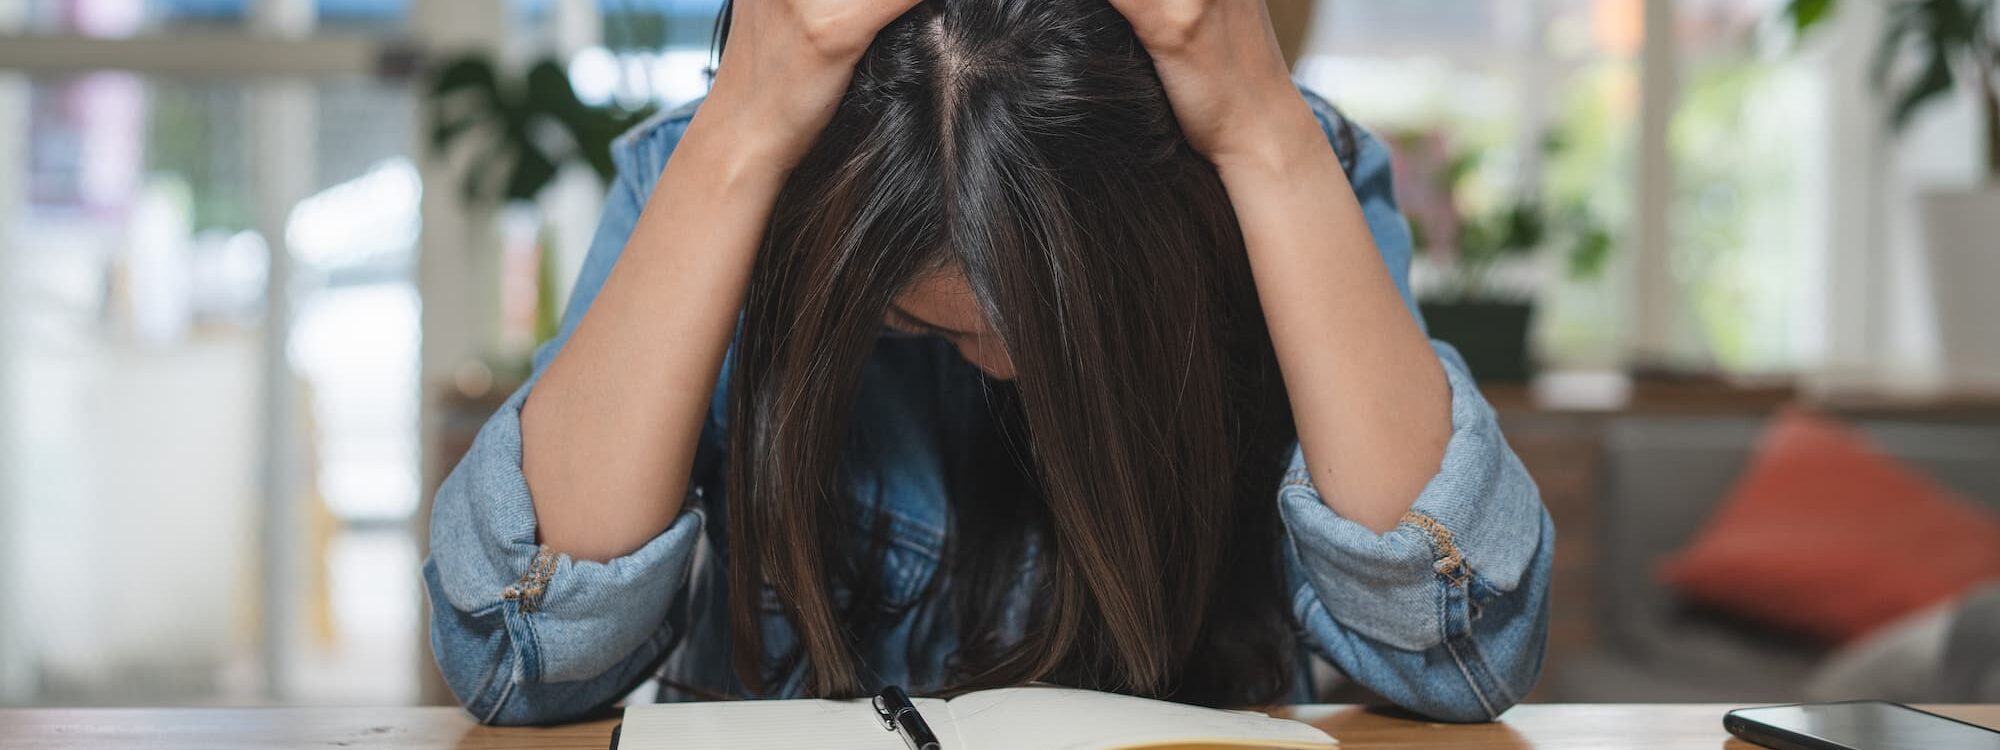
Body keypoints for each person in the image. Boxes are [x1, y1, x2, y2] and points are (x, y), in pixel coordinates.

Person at [423, 0, 1553, 726]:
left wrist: (1264, 137)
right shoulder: (712, 176)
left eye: (1069, 320)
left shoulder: (1281, 171)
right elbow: (523, 658)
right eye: (921, 327)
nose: (1009, 366)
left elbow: (1449, 653)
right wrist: (737, 140)